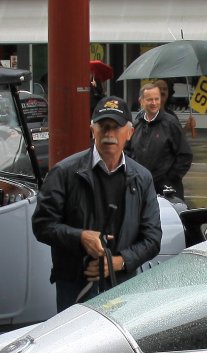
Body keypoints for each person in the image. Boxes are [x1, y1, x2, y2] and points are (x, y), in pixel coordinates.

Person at [32, 97, 163, 310]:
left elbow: (153, 238)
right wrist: (81, 237)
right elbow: (42, 225)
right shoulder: (64, 173)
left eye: (116, 127)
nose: (109, 133)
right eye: (103, 126)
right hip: (75, 287)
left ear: (129, 133)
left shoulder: (142, 178)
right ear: (92, 130)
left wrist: (119, 262)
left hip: (123, 286)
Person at [124, 79, 192, 198]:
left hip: (166, 192)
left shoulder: (171, 123)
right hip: (140, 189)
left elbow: (185, 155)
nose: (154, 103)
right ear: (141, 101)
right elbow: (126, 152)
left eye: (157, 99)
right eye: (150, 99)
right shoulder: (136, 125)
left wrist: (169, 179)